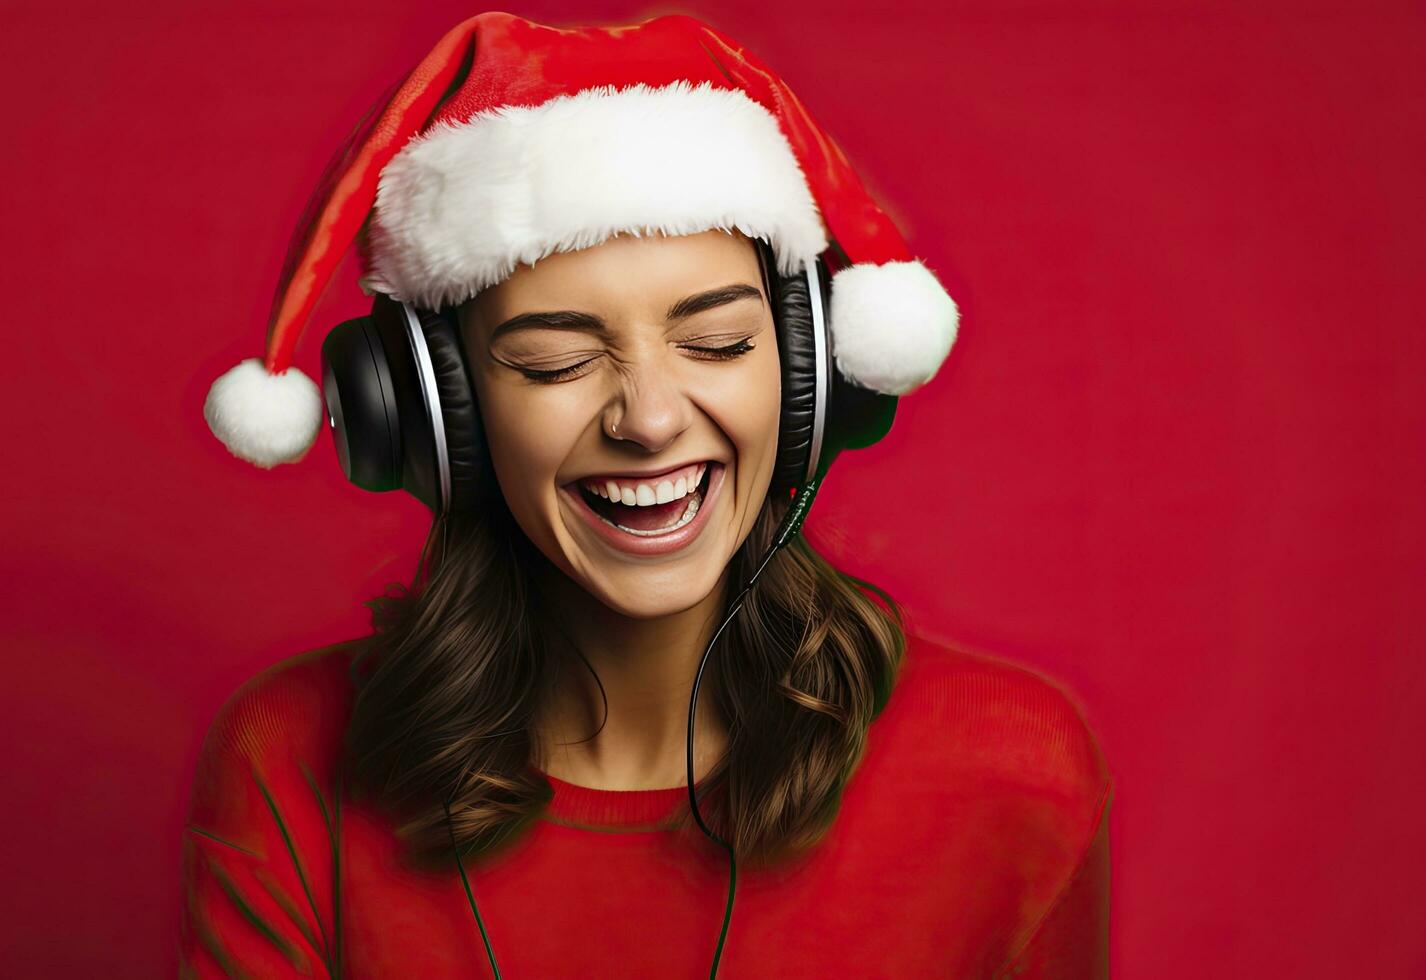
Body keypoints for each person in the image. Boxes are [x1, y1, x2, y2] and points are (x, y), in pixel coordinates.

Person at [182, 12, 1112, 978]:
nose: (651, 419)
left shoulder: (1010, 773)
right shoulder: (288, 762)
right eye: (556, 361)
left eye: (717, 344)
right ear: (433, 419)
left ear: (810, 378)